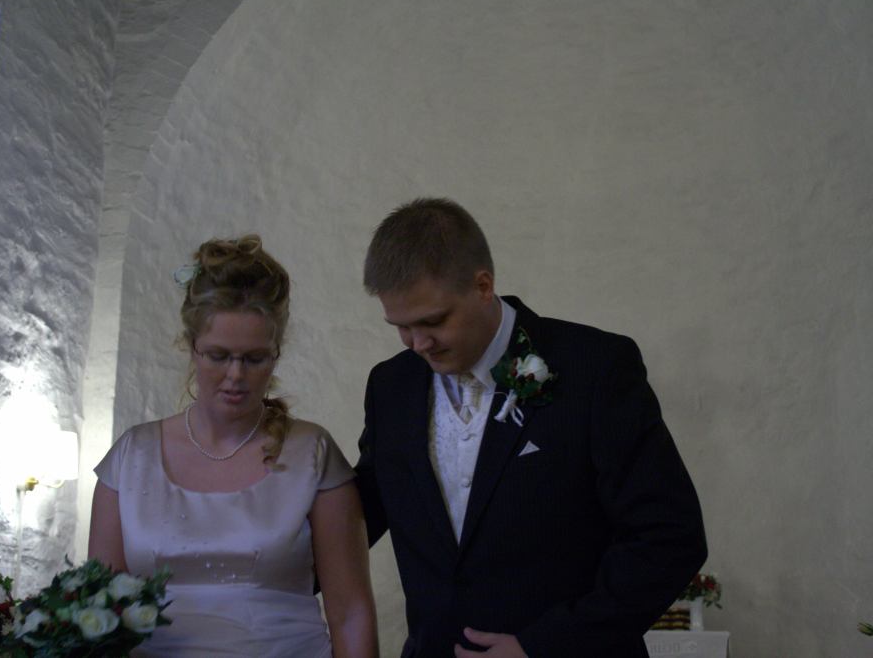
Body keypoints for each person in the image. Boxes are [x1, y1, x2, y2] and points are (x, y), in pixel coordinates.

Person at [355, 198, 707, 657]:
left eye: (433, 321)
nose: (418, 343)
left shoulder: (595, 368)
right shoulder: (391, 386)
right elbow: (360, 514)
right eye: (400, 326)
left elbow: (669, 536)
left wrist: (545, 646)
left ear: (483, 286)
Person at [89, 235, 378, 657]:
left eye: (255, 358)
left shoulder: (312, 453)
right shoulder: (132, 456)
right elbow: (99, 613)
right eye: (219, 356)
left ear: (277, 353)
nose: (236, 376)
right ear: (191, 347)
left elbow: (350, 612)